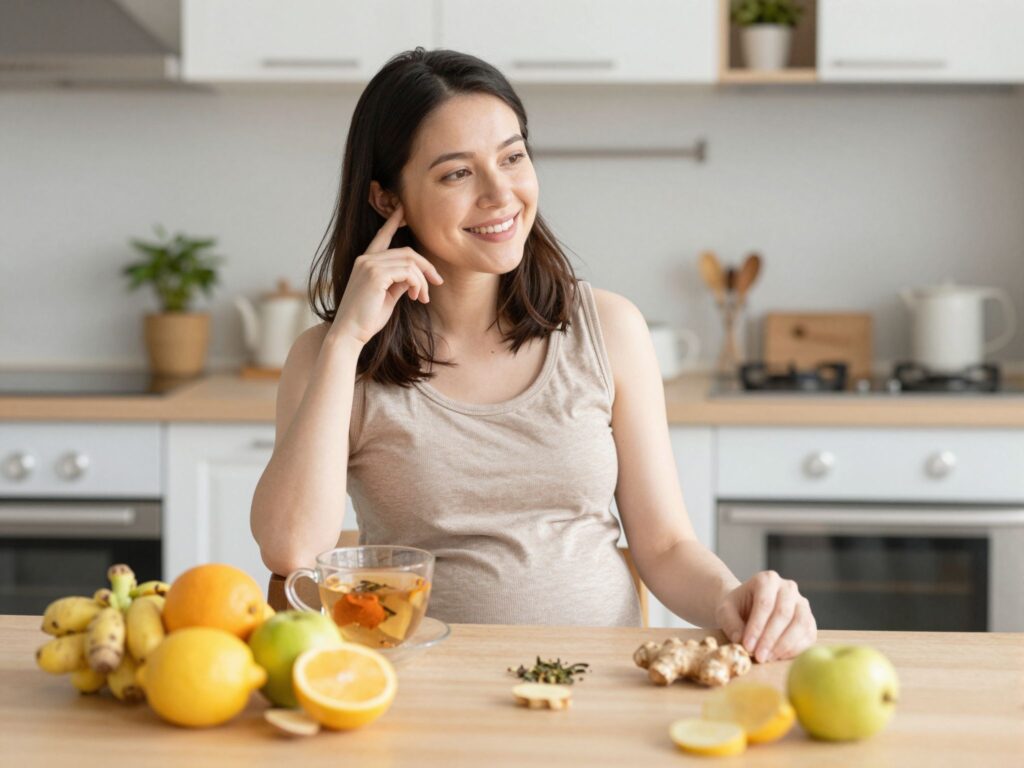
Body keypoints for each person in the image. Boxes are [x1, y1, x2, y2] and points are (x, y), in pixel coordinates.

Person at [251, 47, 817, 663]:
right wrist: (346, 343)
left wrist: (732, 598)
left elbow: (665, 546)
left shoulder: (610, 329)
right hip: (426, 692)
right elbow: (291, 551)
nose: (501, 194)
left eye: (513, 157)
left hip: (599, 687)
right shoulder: (332, 357)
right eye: (456, 174)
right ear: (389, 200)